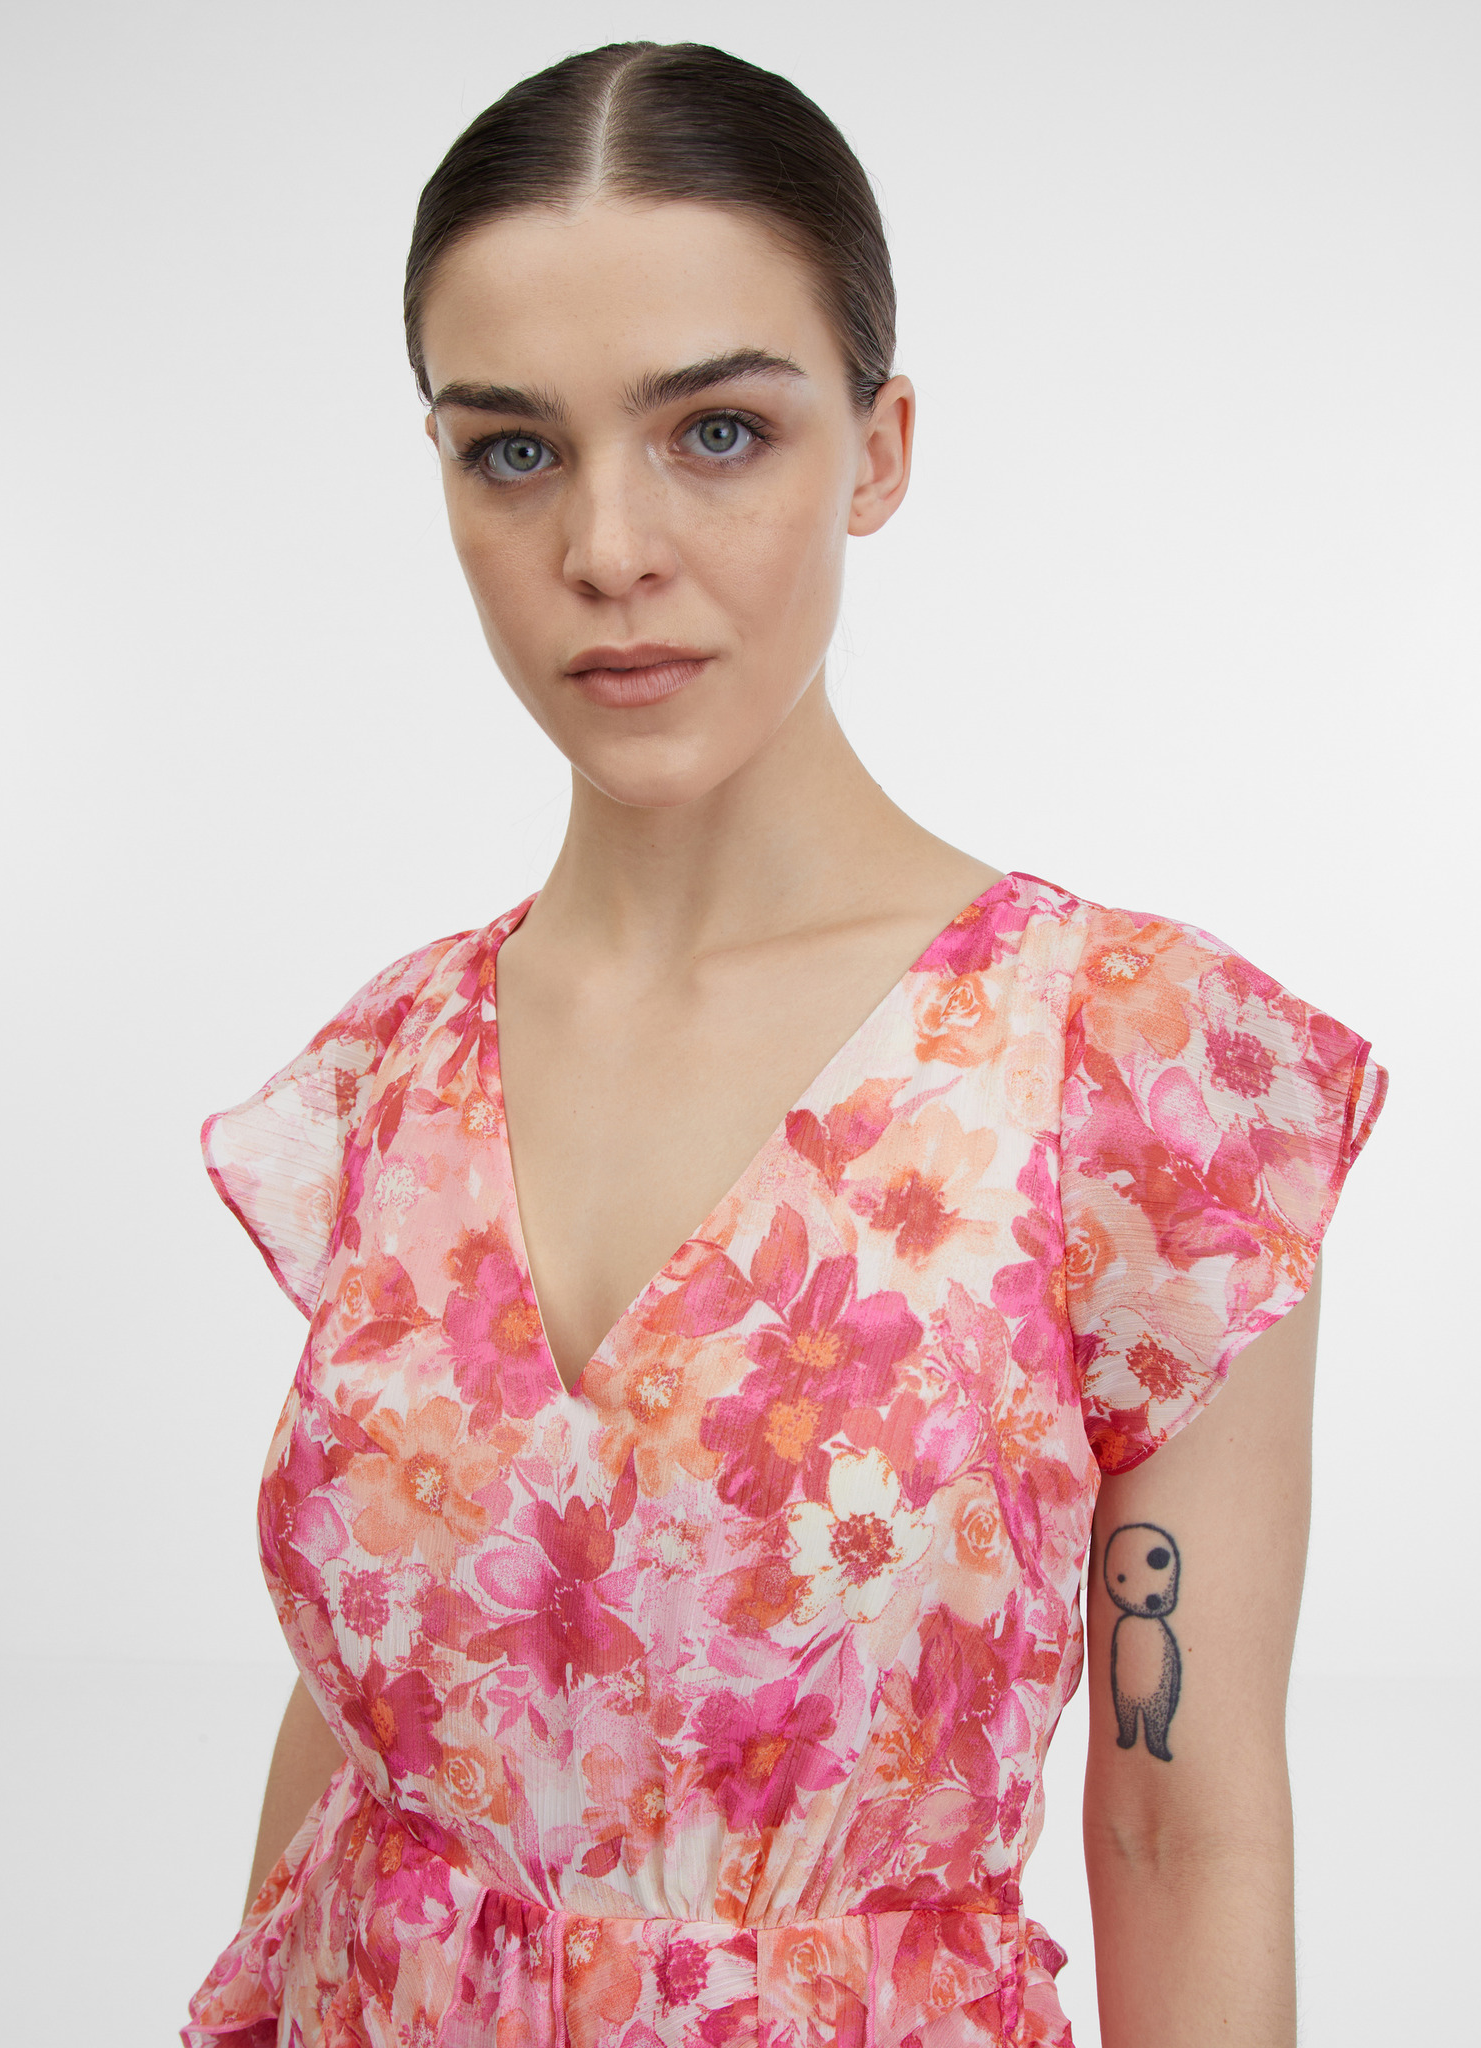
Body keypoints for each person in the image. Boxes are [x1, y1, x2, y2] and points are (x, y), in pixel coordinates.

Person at [184, 41, 1385, 2048]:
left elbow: (1182, 1829)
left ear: (880, 450)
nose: (610, 547)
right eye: (514, 450)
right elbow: (376, 1733)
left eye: (718, 432)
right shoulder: (391, 1071)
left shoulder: (1132, 1076)